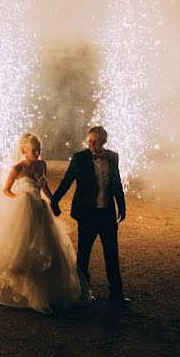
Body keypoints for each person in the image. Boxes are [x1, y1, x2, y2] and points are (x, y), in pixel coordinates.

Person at [0, 133, 91, 314]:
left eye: (39, 149)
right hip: (23, 208)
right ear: (25, 150)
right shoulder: (17, 168)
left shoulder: (42, 165)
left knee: (44, 246)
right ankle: (17, 286)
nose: (37, 152)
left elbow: (44, 186)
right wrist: (20, 199)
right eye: (33, 149)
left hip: (40, 210)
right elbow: (6, 190)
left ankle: (43, 288)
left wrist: (53, 202)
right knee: (17, 246)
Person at [50, 126, 129, 304]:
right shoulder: (80, 158)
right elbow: (67, 181)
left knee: (112, 254)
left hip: (107, 213)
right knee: (84, 255)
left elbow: (116, 182)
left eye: (96, 141)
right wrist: (54, 201)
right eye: (90, 140)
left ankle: (116, 295)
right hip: (87, 214)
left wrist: (122, 206)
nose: (91, 144)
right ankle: (82, 293)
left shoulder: (113, 157)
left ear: (104, 142)